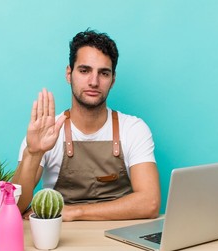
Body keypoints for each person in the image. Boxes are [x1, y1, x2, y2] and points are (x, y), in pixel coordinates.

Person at [12, 29, 160, 222]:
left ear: (113, 80)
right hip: (59, 240)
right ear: (69, 73)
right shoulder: (47, 132)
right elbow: (15, 207)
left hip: (121, 240)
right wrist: (33, 152)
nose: (94, 81)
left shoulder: (133, 129)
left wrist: (75, 212)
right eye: (84, 70)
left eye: (104, 73)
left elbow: (149, 203)